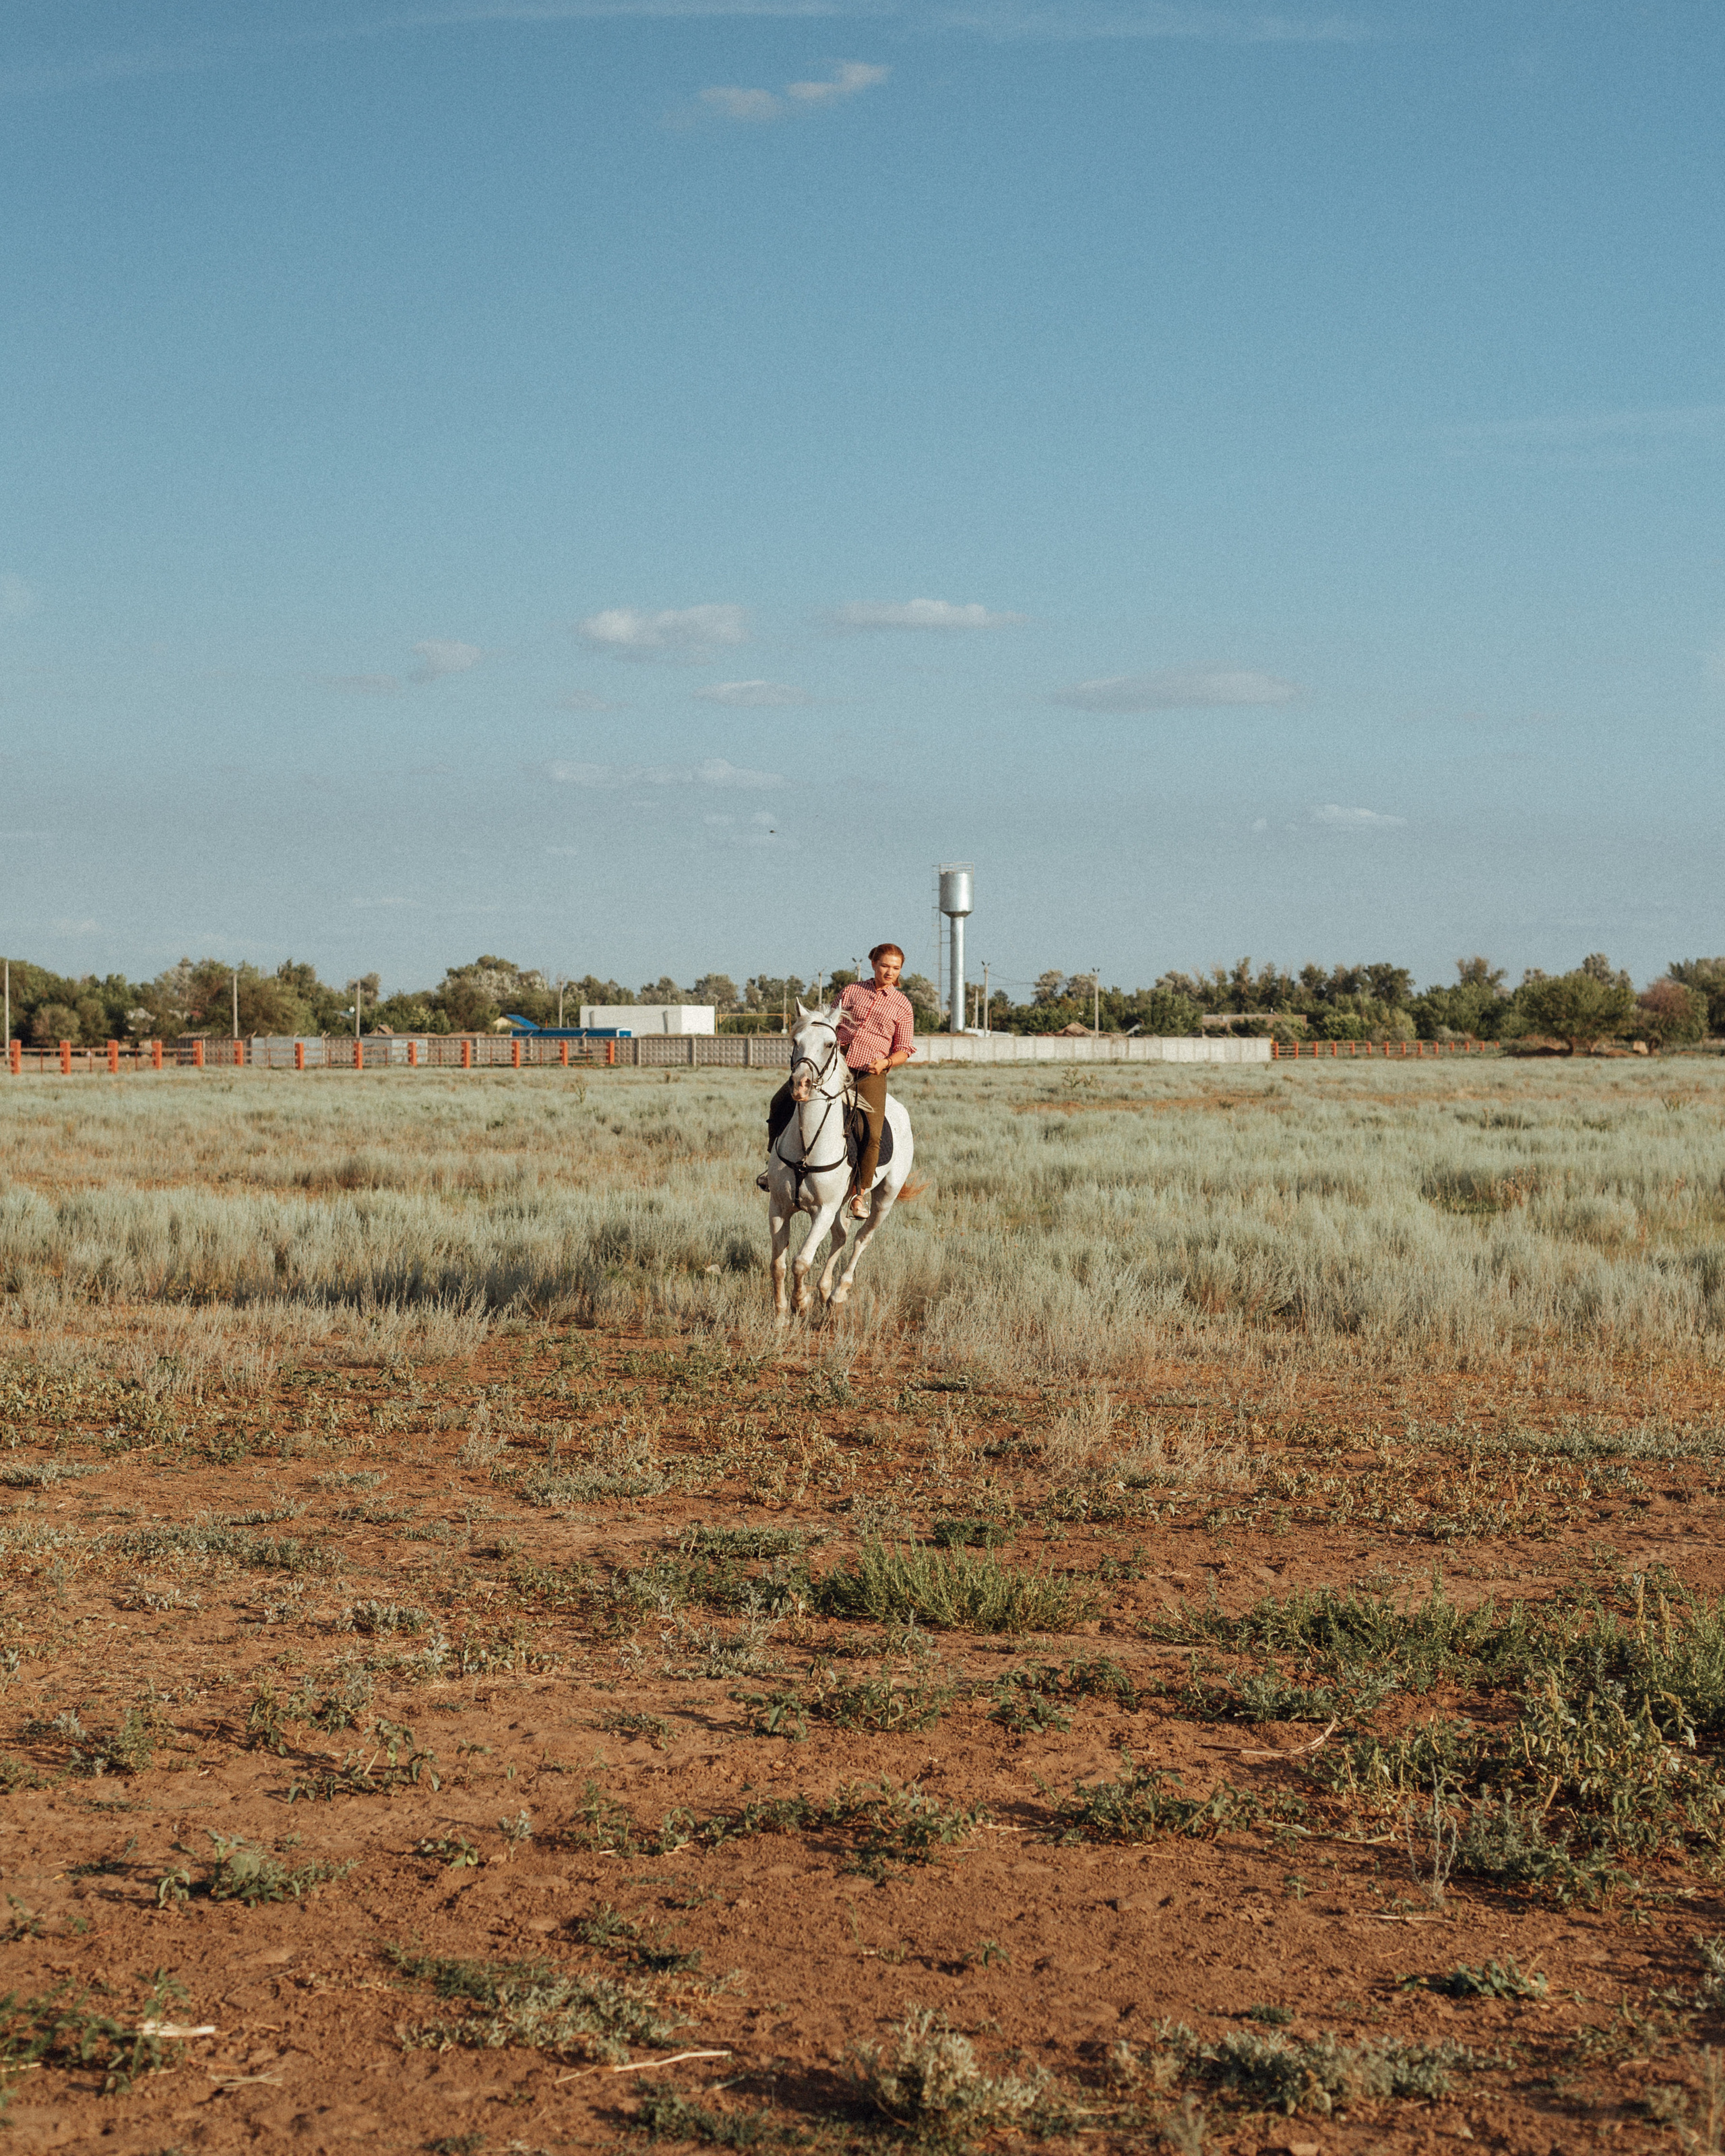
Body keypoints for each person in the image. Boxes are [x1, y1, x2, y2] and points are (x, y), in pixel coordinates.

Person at [759, 943, 917, 1216]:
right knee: (780, 1103)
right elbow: (827, 1023)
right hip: (833, 1067)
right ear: (873, 964)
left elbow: (905, 1048)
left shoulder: (902, 1005)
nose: (889, 972)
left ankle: (859, 1193)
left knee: (872, 1131)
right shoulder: (852, 991)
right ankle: (771, 1169)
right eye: (885, 966)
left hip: (870, 1073)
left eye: (896, 968)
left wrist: (886, 1062)